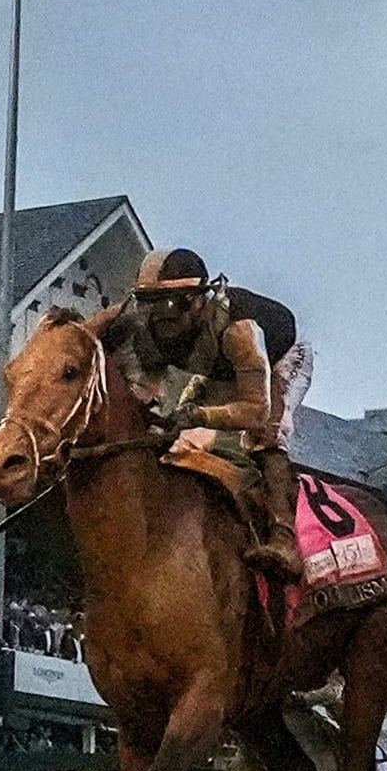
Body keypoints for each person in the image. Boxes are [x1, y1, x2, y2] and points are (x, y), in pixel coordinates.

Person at [108, 247, 308, 585]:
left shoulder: (241, 331)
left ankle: (283, 538)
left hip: (279, 359)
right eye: (149, 303)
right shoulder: (144, 323)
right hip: (221, 366)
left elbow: (255, 411)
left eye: (168, 303)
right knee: (167, 430)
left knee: (267, 436)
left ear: (198, 300)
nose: (158, 316)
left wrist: (198, 414)